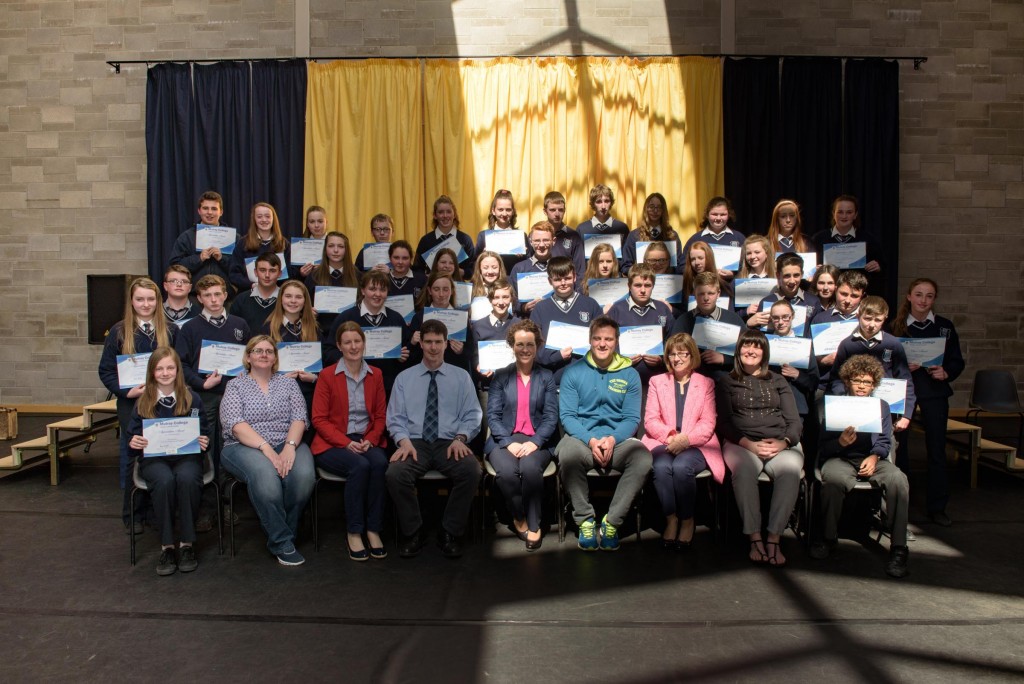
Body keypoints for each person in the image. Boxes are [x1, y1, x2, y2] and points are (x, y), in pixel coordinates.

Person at [385, 319, 482, 559]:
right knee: (394, 474)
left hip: (449, 442)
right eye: (428, 342)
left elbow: (473, 414)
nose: (433, 347)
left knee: (471, 470)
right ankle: (413, 532)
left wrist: (461, 438)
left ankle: (449, 532)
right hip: (414, 442)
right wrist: (403, 440)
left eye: (438, 342)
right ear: (422, 344)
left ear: (446, 344)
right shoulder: (404, 378)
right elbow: (395, 417)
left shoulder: (461, 377)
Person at [556, 316, 653, 551]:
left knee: (643, 458)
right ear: (589, 341)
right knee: (567, 454)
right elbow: (568, 416)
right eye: (597, 338)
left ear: (616, 342)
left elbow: (632, 419)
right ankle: (585, 520)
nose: (602, 344)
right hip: (582, 439)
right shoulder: (573, 372)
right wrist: (590, 440)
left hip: (617, 441)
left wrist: (611, 439)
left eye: (608, 339)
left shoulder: (630, 374)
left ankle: (612, 521)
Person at [811, 354, 910, 578]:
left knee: (898, 480)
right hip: (841, 458)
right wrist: (839, 443)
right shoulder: (835, 404)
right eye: (857, 380)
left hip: (874, 459)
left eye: (867, 382)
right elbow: (823, 447)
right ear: (848, 381)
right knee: (833, 480)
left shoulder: (881, 406)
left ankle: (899, 548)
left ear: (874, 384)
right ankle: (827, 538)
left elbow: (885, 441)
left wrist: (875, 456)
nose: (862, 386)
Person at [220, 336, 315, 566]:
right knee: (266, 479)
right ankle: (282, 541)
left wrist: (290, 448)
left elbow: (299, 417)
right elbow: (235, 424)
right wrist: (267, 449)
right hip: (243, 446)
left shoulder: (288, 383)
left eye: (269, 351)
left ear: (275, 358)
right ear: (248, 356)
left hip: (286, 440)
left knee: (303, 477)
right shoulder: (235, 385)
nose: (264, 354)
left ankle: (285, 532)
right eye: (258, 350)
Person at [715, 329, 804, 567]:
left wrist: (784, 442)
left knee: (790, 472)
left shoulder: (778, 381)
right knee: (743, 472)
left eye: (757, 347)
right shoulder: (726, 381)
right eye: (746, 346)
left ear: (764, 352)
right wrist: (749, 445)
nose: (751, 351)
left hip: (780, 443)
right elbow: (724, 423)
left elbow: (795, 421)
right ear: (738, 350)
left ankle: (774, 538)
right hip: (741, 443)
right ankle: (755, 537)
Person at [98, 277, 176, 533]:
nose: (145, 304)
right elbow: (106, 371)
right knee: (133, 456)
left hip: (164, 404)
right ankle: (132, 515)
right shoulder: (119, 332)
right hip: (131, 404)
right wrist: (126, 391)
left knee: (159, 454)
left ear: (158, 300)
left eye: (151, 299)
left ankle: (155, 511)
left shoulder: (170, 330)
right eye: (140, 299)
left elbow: (179, 368)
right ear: (132, 301)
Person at [175, 274, 251, 532]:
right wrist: (199, 383)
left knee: (232, 448)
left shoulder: (239, 324)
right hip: (205, 396)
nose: (214, 299)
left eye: (218, 294)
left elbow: (251, 360)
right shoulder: (189, 328)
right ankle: (207, 508)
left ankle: (228, 503)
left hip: (236, 398)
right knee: (205, 451)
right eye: (207, 295)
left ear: (225, 295)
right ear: (199, 298)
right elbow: (180, 365)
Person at [125, 347, 210, 575]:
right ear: (152, 372)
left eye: (170, 367)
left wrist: (204, 441)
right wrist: (134, 443)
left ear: (177, 370)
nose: (165, 373)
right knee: (163, 481)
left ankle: (186, 544)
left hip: (186, 457)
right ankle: (167, 546)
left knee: (187, 478)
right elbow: (131, 439)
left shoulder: (192, 399)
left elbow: (205, 431)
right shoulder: (143, 402)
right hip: (155, 460)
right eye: (159, 368)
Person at [311, 322, 389, 561]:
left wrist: (371, 439)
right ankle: (354, 531)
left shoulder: (376, 374)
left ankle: (373, 529)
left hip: (365, 439)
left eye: (357, 341)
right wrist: (345, 442)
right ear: (339, 346)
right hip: (333, 442)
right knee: (360, 466)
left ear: (364, 343)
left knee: (379, 464)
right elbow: (319, 419)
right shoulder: (326, 375)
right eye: (347, 342)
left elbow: (380, 416)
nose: (353, 347)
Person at [890, 278, 965, 526]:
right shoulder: (896, 326)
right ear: (909, 296)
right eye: (919, 295)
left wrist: (946, 372)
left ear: (934, 299)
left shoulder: (944, 327)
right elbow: (884, 360)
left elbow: (957, 361)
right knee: (901, 450)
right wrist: (902, 366)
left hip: (934, 391)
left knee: (936, 450)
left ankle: (937, 507)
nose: (923, 300)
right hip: (904, 393)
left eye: (929, 296)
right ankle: (902, 504)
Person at [642, 333, 723, 550]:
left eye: (682, 353)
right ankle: (671, 519)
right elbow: (650, 420)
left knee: (681, 467)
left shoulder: (706, 383)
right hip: (663, 440)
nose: (676, 358)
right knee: (660, 467)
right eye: (672, 353)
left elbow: (707, 423)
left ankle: (687, 519)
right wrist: (671, 437)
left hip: (696, 443)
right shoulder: (657, 381)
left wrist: (685, 440)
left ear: (692, 355)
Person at [485, 320, 558, 550]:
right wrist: (508, 443)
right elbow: (493, 417)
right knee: (506, 472)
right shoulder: (501, 376)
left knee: (529, 469)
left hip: (538, 440)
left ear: (537, 346)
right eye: (519, 344)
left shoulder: (546, 377)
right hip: (503, 439)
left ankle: (534, 526)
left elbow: (550, 417)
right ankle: (518, 517)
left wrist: (535, 442)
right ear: (512, 346)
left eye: (530, 344)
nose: (525, 349)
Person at [830, 296, 916, 448]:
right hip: (853, 410)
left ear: (885, 318)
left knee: (885, 450)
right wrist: (842, 399)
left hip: (885, 412)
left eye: (878, 320)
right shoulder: (847, 344)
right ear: (858, 316)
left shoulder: (893, 344)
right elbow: (836, 379)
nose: (871, 325)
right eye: (867, 318)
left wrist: (906, 415)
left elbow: (906, 381)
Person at [323, 270, 411, 395]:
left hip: (388, 387)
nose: (378, 294)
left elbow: (409, 353)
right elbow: (329, 351)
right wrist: (349, 358)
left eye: (383, 289)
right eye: (372, 289)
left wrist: (403, 357)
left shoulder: (396, 319)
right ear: (363, 290)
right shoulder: (346, 318)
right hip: (352, 386)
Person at [530, 256, 604, 383]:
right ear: (550, 281)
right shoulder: (540, 309)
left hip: (589, 379)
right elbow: (533, 346)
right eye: (558, 279)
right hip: (553, 382)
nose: (563, 283)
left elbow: (603, 338)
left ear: (574, 277)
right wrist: (556, 356)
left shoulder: (591, 305)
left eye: (567, 278)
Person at [606, 263, 674, 386]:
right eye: (638, 285)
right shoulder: (617, 310)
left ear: (653, 286)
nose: (643, 290)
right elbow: (605, 343)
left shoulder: (663, 309)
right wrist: (621, 360)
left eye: (647, 285)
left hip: (658, 380)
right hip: (623, 379)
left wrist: (662, 360)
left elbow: (673, 342)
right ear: (629, 286)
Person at [262, 280, 320, 422]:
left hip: (309, 393)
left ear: (305, 301)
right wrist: (279, 379)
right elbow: (259, 365)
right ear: (281, 299)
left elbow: (324, 363)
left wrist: (315, 378)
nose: (293, 301)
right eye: (288, 296)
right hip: (277, 395)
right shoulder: (268, 328)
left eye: (298, 297)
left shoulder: (315, 328)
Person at [670, 272, 744, 380]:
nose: (706, 298)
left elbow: (748, 352)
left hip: (726, 380)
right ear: (694, 294)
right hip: (692, 380)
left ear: (718, 293)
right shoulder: (684, 321)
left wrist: (724, 358)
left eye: (710, 293)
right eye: (701, 294)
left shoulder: (733, 319)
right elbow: (672, 351)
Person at [811, 195, 884, 295]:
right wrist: (814, 269)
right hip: (828, 294)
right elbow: (810, 271)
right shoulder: (818, 239)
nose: (844, 216)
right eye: (840, 212)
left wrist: (877, 267)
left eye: (849, 212)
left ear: (855, 215)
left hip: (857, 294)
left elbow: (883, 268)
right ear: (833, 214)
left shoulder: (868, 239)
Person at [168, 191, 232, 290]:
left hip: (225, 297)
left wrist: (222, 258)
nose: (209, 212)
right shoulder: (186, 237)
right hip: (194, 296)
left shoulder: (233, 237)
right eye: (205, 208)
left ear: (221, 212)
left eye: (214, 209)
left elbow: (240, 269)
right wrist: (199, 258)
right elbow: (174, 267)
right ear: (199, 211)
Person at [409, 273, 468, 371]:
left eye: (445, 289)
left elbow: (471, 352)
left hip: (454, 372)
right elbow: (409, 356)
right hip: (423, 372)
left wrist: (461, 351)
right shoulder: (419, 317)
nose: (441, 294)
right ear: (429, 291)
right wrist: (413, 342)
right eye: (436, 289)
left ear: (452, 291)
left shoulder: (461, 318)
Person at [469, 277, 519, 390]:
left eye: (505, 297)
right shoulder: (479, 326)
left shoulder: (519, 325)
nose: (501, 302)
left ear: (511, 299)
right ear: (490, 300)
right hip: (487, 386)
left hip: (514, 386)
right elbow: (473, 355)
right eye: (496, 298)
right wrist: (478, 365)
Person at [751, 253, 821, 333]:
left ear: (802, 274)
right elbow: (760, 336)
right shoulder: (767, 302)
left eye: (796, 275)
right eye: (787, 276)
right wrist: (748, 325)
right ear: (778, 276)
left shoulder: (813, 301)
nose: (792, 281)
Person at [229, 202, 289, 292]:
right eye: (259, 216)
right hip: (249, 294)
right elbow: (234, 274)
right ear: (254, 220)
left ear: (274, 219)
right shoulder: (243, 243)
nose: (264, 220)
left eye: (268, 216)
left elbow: (291, 273)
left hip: (277, 295)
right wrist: (251, 285)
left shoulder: (284, 243)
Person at [682, 197, 746, 280]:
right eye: (714, 214)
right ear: (707, 215)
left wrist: (734, 274)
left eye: (723, 214)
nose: (718, 218)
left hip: (730, 290)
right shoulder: (695, 239)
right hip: (704, 289)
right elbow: (683, 267)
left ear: (729, 215)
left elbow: (748, 265)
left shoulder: (739, 238)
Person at [413, 195, 476, 279]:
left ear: (454, 214)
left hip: (459, 289)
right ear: (435, 215)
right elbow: (416, 270)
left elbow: (474, 269)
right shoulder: (426, 240)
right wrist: (427, 277)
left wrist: (462, 272)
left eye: (449, 212)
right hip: (433, 288)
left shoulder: (465, 239)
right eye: (441, 212)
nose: (445, 215)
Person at [621, 192, 681, 276]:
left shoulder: (672, 236)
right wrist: (640, 273)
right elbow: (625, 266)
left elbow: (678, 266)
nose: (655, 211)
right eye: (651, 207)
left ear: (663, 210)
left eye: (659, 207)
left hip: (667, 284)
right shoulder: (634, 236)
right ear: (646, 209)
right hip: (642, 283)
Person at [509, 221, 556, 315]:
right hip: (527, 320)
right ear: (530, 242)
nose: (541, 245)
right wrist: (523, 307)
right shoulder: (519, 268)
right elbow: (510, 298)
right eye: (537, 240)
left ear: (553, 241)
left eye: (546, 240)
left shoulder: (562, 266)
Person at [475, 189, 526, 274]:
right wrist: (482, 256)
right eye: (500, 209)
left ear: (513, 211)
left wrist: (523, 255)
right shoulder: (483, 236)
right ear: (493, 211)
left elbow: (528, 264)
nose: (505, 214)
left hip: (512, 282)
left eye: (508, 210)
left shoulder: (521, 236)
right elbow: (474, 264)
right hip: (490, 281)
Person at [229, 252, 280, 332]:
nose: (267, 275)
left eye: (272, 271)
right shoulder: (241, 300)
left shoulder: (288, 300)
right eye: (262, 270)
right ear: (256, 272)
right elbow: (232, 331)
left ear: (280, 273)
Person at [540, 191, 585, 278]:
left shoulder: (573, 236)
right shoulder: (537, 234)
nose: (557, 214)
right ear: (545, 211)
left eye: (560, 210)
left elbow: (580, 270)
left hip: (566, 285)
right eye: (552, 210)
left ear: (564, 211)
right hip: (541, 284)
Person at [576, 184, 630, 256]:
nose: (603, 206)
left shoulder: (622, 228)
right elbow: (579, 259)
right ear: (593, 204)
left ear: (611, 203)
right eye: (599, 202)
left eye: (606, 201)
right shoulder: (582, 229)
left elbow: (626, 257)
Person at [296, 205, 330, 280]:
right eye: (312, 222)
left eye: (320, 221)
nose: (316, 225)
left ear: (326, 222)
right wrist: (301, 274)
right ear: (307, 224)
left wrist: (327, 269)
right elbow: (293, 274)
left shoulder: (335, 244)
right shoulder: (299, 245)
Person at [162, 265, 200, 329]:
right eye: (173, 281)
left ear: (190, 288)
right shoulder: (155, 312)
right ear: (165, 286)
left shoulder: (199, 314)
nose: (179, 284)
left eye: (184, 281)